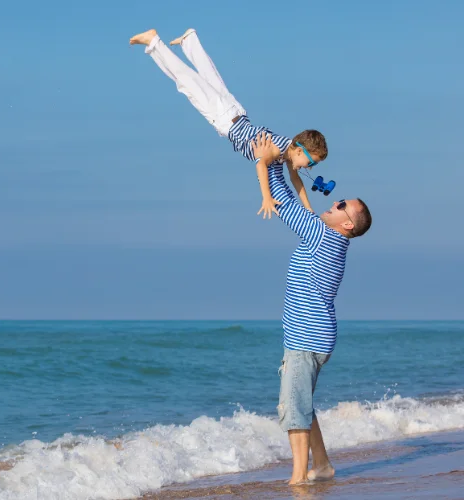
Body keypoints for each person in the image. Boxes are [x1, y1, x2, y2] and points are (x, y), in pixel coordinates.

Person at [251, 132, 372, 485]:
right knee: (302, 401)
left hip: (307, 341)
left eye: (340, 207)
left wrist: (270, 159)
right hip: (315, 337)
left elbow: (284, 204)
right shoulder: (329, 237)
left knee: (294, 409)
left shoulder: (322, 236)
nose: (333, 204)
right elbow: (293, 197)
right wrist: (279, 162)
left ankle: (297, 480)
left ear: (347, 224)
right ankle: (322, 465)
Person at [129, 28, 327, 219]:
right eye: (311, 162)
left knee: (209, 76)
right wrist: (266, 198)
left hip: (236, 113)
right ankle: (154, 42)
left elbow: (295, 180)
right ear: (300, 151)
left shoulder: (288, 153)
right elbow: (261, 166)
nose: (309, 167)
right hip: (225, 118)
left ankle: (190, 41)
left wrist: (309, 210)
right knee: (186, 81)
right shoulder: (276, 150)